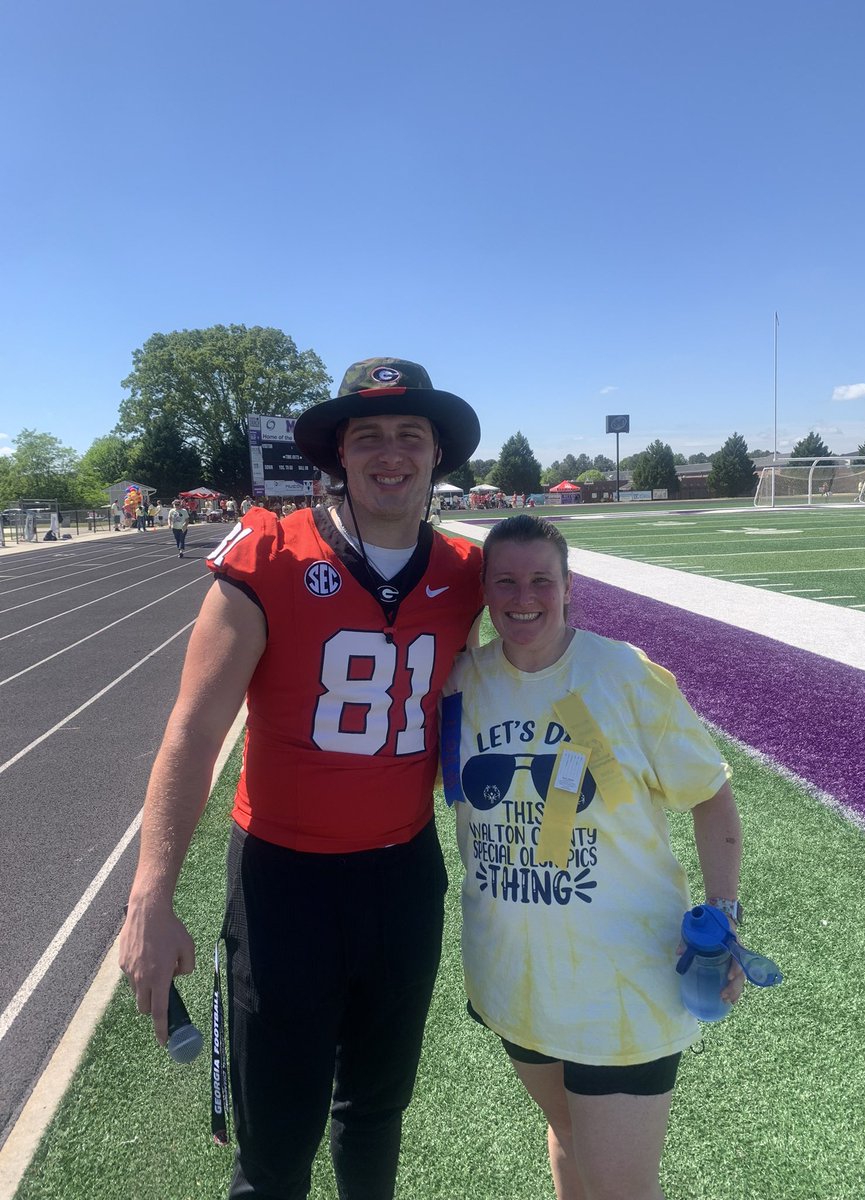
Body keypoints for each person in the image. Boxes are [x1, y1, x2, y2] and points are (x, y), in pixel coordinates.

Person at [119, 358, 483, 1200]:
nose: (390, 453)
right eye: (369, 437)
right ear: (339, 456)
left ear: (436, 456)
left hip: (404, 876)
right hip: (285, 881)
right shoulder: (272, 555)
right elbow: (194, 728)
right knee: (276, 1139)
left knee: (376, 1112)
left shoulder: (468, 573)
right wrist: (151, 893)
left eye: (409, 436)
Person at [442, 514, 744, 1200]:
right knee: (569, 1139)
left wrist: (725, 914)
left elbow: (712, 797)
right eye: (507, 581)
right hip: (513, 981)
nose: (525, 597)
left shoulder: (623, 674)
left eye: (542, 580)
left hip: (623, 988)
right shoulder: (462, 685)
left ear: (569, 586)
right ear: (484, 591)